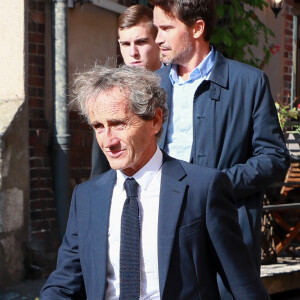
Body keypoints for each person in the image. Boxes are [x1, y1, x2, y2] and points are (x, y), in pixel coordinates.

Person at [41, 65, 270, 299]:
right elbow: (64, 284)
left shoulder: (202, 189)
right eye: (99, 127)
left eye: (119, 124)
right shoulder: (87, 197)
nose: (108, 141)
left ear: (156, 120)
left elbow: (244, 287)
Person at [150, 0, 290, 298]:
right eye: (156, 28)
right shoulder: (152, 86)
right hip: (163, 225)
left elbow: (275, 157)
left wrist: (218, 185)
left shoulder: (249, 83)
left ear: (197, 28)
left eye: (166, 28)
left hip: (226, 225)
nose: (157, 38)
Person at [91, 4, 161, 178]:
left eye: (141, 42)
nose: (132, 52)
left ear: (158, 41)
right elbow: (100, 167)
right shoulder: (109, 92)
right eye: (125, 44)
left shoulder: (178, 87)